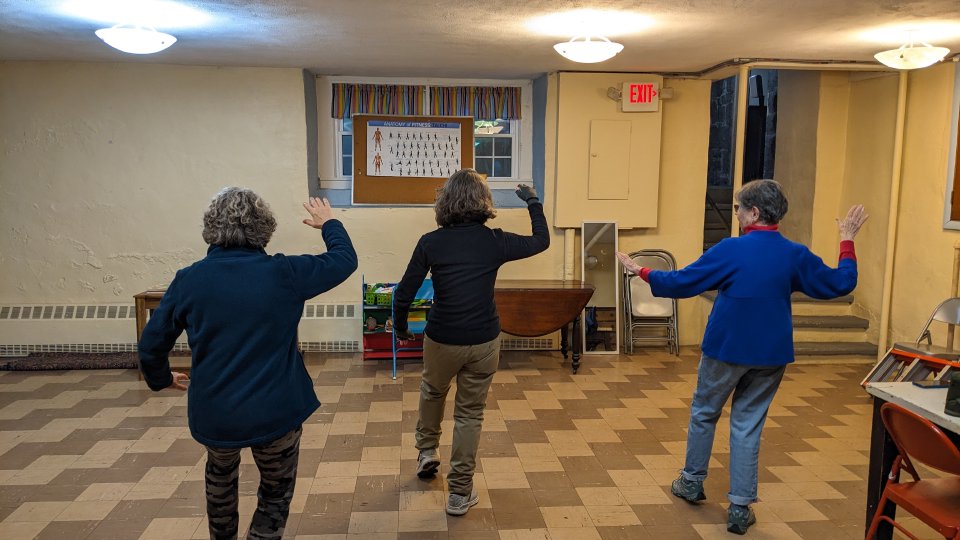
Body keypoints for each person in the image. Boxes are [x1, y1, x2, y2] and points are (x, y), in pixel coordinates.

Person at [617, 179, 867, 535]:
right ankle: (739, 508)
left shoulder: (730, 250)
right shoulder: (795, 254)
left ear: (753, 212)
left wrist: (639, 270)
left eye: (737, 207)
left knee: (705, 413)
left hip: (726, 349)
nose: (735, 212)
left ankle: (691, 482)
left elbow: (680, 283)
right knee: (748, 425)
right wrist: (847, 238)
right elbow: (841, 283)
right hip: (770, 354)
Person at [138, 188, 357, 539]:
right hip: (277, 411)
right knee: (276, 490)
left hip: (216, 414)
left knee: (220, 481)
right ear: (264, 229)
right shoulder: (286, 272)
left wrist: (160, 377)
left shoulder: (189, 280)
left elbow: (151, 344)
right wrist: (329, 223)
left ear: (211, 228)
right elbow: (344, 260)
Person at [392, 169, 549, 516]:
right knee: (469, 414)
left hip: (442, 338)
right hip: (484, 340)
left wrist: (401, 328)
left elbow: (404, 293)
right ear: (484, 202)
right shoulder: (495, 240)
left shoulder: (430, 242)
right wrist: (533, 202)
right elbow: (541, 241)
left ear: (445, 201)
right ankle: (460, 493)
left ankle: (427, 451)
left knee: (433, 391)